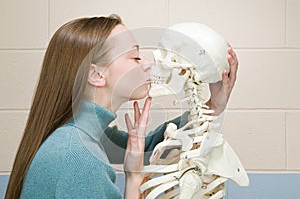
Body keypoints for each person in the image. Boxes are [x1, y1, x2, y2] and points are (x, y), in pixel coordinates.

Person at [5, 15, 238, 199]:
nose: (147, 64)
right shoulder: (77, 158)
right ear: (97, 75)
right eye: (136, 57)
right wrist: (133, 176)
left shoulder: (85, 136)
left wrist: (211, 106)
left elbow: (147, 147)